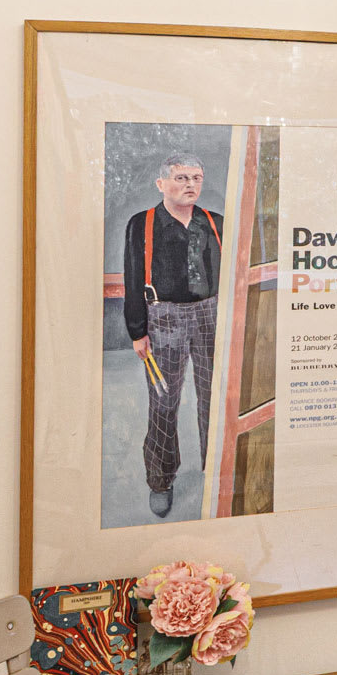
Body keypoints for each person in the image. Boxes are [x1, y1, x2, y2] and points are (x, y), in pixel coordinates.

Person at [120, 155, 222, 518]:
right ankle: (160, 480)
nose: (190, 184)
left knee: (215, 398)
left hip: (212, 315)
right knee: (163, 403)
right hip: (164, 318)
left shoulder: (215, 222)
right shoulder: (142, 223)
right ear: (161, 184)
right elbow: (133, 277)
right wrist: (138, 331)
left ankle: (217, 468)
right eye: (181, 178)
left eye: (196, 177)